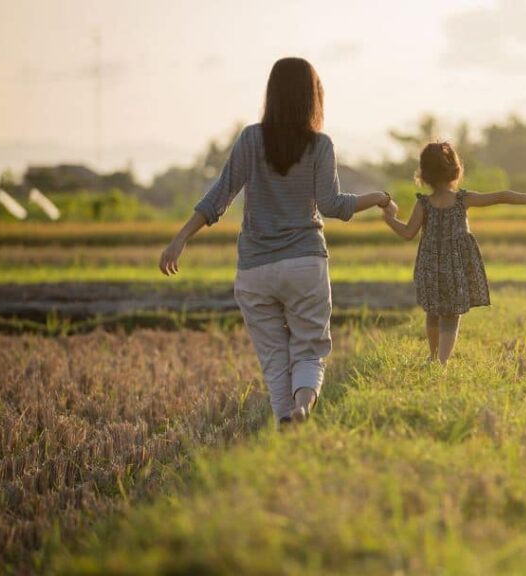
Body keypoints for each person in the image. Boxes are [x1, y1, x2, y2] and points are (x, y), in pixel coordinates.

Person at [158, 57, 390, 425]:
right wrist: (376, 197)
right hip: (304, 264)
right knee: (309, 349)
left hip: (255, 269)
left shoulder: (251, 138)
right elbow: (331, 205)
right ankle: (302, 407)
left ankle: (286, 422)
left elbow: (220, 196)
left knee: (273, 358)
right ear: (313, 97)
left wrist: (179, 239)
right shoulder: (321, 145)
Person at [381, 141, 526, 364]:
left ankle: (432, 356)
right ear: (456, 170)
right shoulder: (462, 200)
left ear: (424, 174)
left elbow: (408, 232)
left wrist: (390, 219)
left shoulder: (423, 204)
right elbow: (502, 196)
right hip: (456, 268)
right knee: (450, 316)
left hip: (430, 267)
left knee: (433, 311)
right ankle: (442, 362)